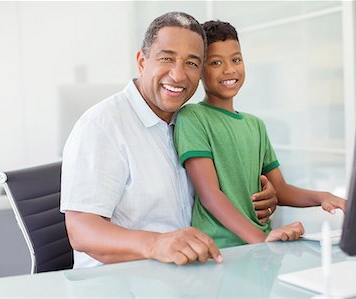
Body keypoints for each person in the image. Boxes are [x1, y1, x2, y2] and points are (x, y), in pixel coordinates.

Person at [60, 12, 278, 268]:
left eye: (192, 63)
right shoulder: (103, 125)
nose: (178, 75)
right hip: (119, 282)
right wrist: (157, 243)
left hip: (188, 275)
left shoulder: (191, 123)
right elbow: (81, 231)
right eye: (167, 58)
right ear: (142, 61)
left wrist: (263, 194)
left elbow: (213, 192)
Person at [174, 20, 347, 249]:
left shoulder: (256, 125)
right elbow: (210, 194)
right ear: (200, 69)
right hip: (220, 247)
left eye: (236, 59)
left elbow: (281, 189)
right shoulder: (192, 117)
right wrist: (261, 239)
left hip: (260, 247)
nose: (229, 69)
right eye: (216, 62)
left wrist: (322, 197)